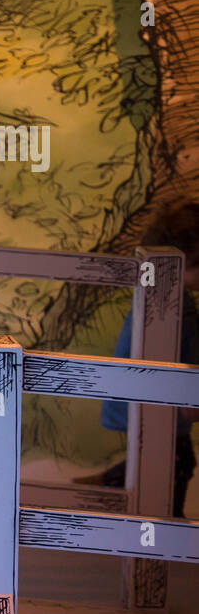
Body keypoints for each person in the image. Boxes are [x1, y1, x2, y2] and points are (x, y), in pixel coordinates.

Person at [80, 200, 199, 517]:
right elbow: (185, 391)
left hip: (139, 398)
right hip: (158, 406)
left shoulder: (152, 292)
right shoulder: (178, 308)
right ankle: (161, 522)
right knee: (174, 459)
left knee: (154, 457)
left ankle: (116, 484)